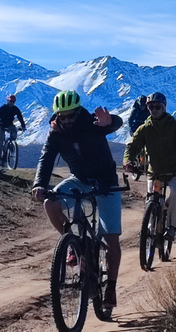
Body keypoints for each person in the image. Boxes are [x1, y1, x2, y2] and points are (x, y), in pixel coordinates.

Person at [31, 90, 124, 309]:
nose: (67, 119)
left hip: (106, 182)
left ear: (78, 110)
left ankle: (110, 287)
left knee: (111, 239)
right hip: (79, 179)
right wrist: (39, 184)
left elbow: (112, 125)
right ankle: (71, 243)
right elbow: (46, 159)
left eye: (71, 114)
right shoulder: (56, 133)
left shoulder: (91, 123)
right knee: (50, 203)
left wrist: (110, 122)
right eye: (63, 115)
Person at [124, 92, 176, 242]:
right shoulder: (145, 128)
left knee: (175, 193)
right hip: (154, 172)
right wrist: (128, 161)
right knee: (151, 199)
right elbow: (132, 146)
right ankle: (149, 228)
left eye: (157, 107)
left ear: (164, 108)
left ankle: (172, 227)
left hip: (174, 171)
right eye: (151, 107)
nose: (154, 110)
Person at [0, 94, 26, 168]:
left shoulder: (15, 109)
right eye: (11, 102)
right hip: (1, 125)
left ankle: (11, 145)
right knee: (0, 142)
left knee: (14, 131)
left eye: (13, 102)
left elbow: (20, 117)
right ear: (8, 101)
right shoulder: (3, 108)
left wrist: (23, 126)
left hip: (9, 125)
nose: (12, 103)